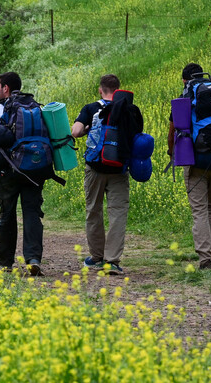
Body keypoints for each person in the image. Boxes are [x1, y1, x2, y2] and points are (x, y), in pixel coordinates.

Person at [71, 74, 142, 276]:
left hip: (95, 168)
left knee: (94, 210)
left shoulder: (91, 108)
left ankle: (96, 258)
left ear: (100, 90)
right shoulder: (127, 109)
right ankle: (112, 261)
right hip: (119, 168)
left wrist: (85, 129)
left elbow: (75, 132)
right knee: (118, 213)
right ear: (119, 89)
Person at [0, 72, 45, 277]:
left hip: (7, 172)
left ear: (6, 89)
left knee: (7, 214)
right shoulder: (35, 106)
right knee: (32, 213)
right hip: (34, 170)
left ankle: (5, 263)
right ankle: (34, 259)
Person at [168, 63, 211, 270]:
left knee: (199, 209)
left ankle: (206, 259)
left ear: (185, 80)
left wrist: (171, 152)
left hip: (196, 160)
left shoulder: (186, 97)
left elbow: (173, 128)